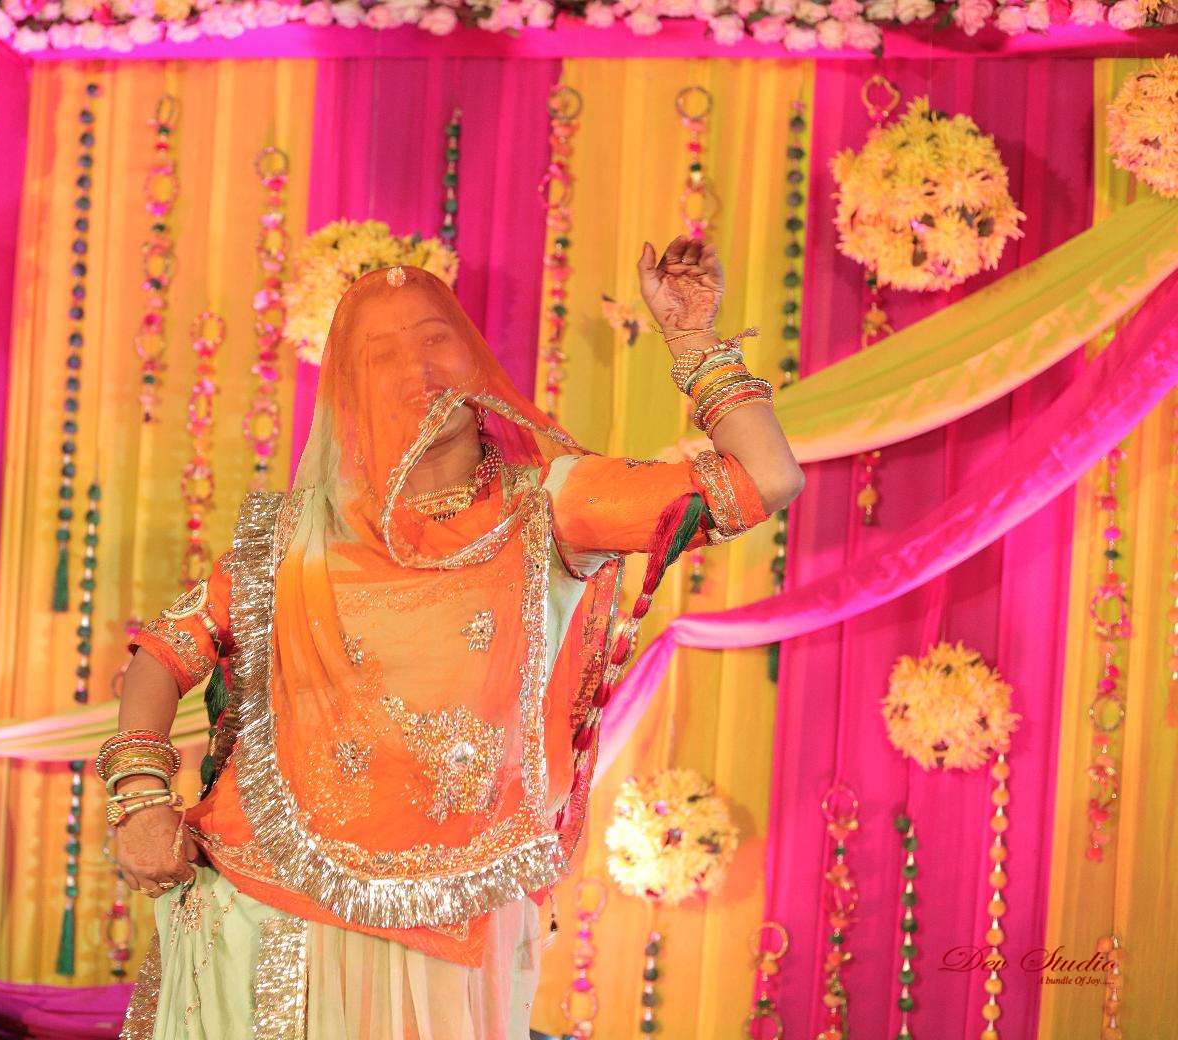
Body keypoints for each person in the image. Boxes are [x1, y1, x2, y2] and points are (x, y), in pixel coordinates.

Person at [103, 237, 803, 1039]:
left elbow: (765, 479)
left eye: (436, 338)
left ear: (472, 358)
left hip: (454, 918)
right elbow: (164, 651)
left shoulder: (551, 506)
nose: (418, 367)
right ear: (351, 390)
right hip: (261, 899)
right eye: (383, 355)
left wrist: (693, 339)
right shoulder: (299, 537)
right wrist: (140, 800)